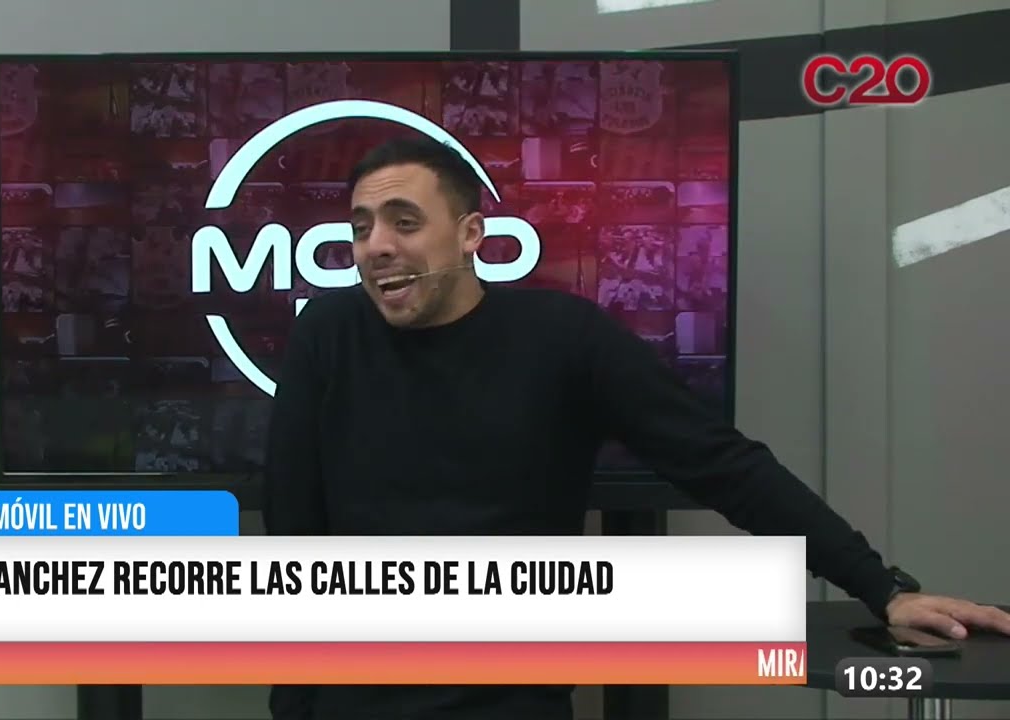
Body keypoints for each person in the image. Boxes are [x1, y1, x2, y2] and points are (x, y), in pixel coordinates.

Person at [262, 136, 1010, 720]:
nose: (376, 245)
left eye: (404, 222)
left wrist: (881, 588)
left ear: (470, 235)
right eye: (361, 227)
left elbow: (723, 465)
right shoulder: (328, 334)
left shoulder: (564, 339)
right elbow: (293, 533)